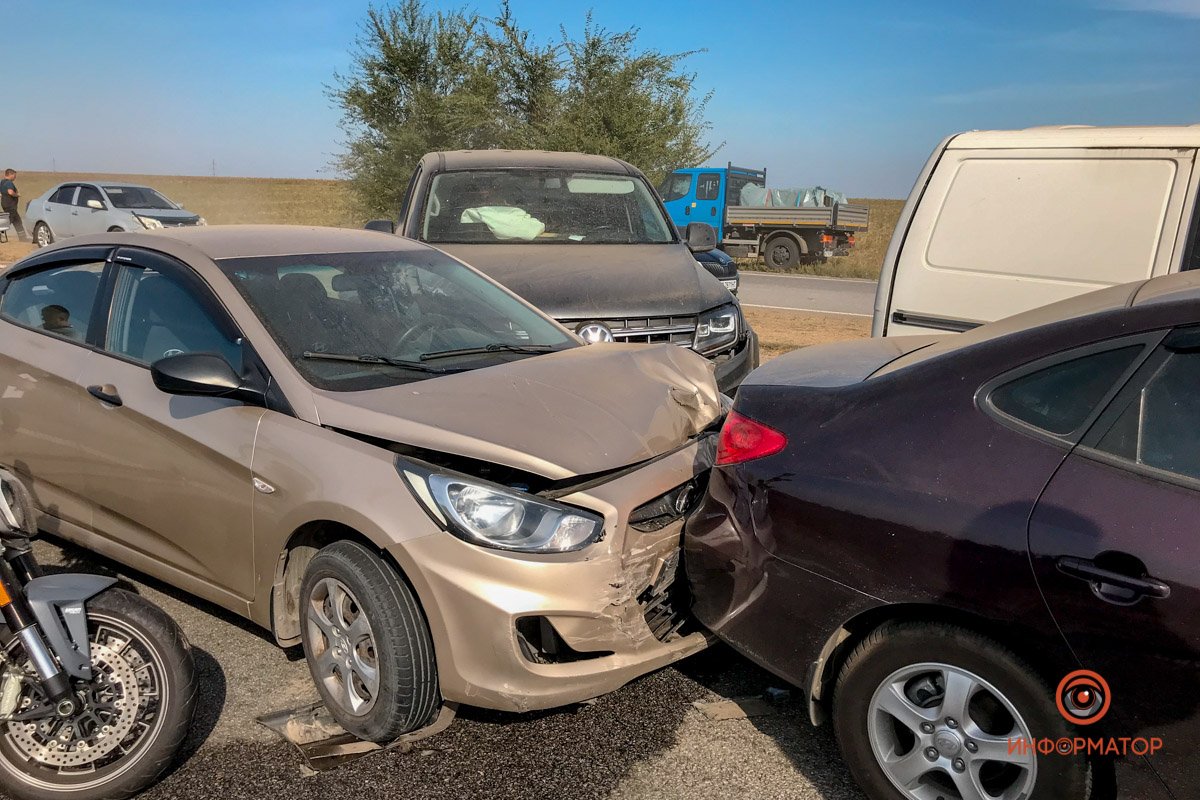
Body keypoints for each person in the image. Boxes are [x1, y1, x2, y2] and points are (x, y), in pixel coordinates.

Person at [1, 169, 27, 242]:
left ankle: (23, 238)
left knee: (17, 221)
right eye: (14, 175)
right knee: (8, 221)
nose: (15, 177)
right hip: (10, 205)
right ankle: (23, 238)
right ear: (10, 174)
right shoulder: (9, 183)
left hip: (5, 204)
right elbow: (10, 192)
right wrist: (17, 195)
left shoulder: (2, 182)